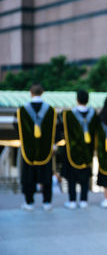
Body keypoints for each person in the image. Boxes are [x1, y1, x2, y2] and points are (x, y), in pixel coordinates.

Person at [17, 83, 57, 211]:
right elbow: (57, 129)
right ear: (42, 92)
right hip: (45, 149)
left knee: (29, 176)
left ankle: (29, 203)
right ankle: (47, 202)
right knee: (46, 175)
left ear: (30, 92)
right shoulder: (51, 110)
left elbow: (16, 127)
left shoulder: (22, 110)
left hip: (29, 150)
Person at [61, 90, 98, 209]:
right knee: (85, 177)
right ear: (88, 100)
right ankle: (83, 200)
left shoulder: (68, 115)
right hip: (88, 151)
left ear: (77, 99)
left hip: (73, 151)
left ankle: (72, 201)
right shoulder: (94, 114)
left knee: (72, 177)